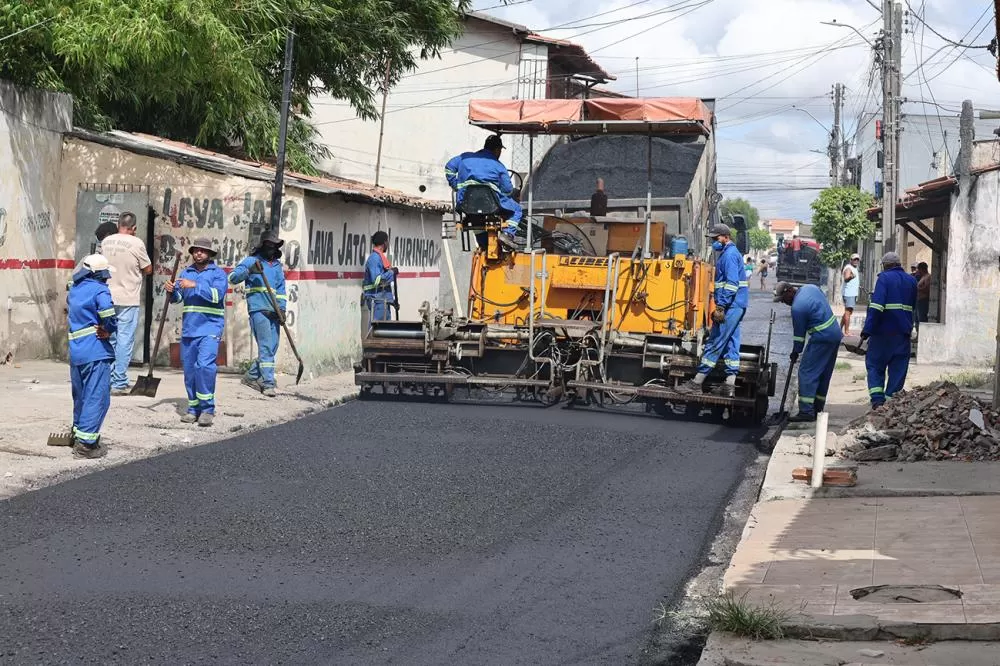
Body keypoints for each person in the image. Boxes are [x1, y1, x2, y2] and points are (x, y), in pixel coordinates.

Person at [675, 223, 748, 397]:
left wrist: (721, 306)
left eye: (716, 238)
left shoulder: (729, 255)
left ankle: (697, 382)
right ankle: (729, 384)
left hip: (731, 305)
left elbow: (731, 284)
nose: (714, 241)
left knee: (715, 340)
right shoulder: (728, 254)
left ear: (726, 237)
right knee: (731, 342)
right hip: (737, 305)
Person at [165, 238, 228, 427]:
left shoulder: (218, 274)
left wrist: (195, 286)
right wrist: (171, 291)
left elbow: (217, 296)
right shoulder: (186, 272)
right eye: (196, 251)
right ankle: (193, 408)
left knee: (205, 366)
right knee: (190, 370)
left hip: (210, 328)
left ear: (209, 254)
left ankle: (207, 408)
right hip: (190, 330)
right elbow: (177, 298)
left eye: (203, 251)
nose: (199, 253)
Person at [66, 254, 118, 458]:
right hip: (95, 350)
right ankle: (86, 445)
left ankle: (78, 433)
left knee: (81, 396)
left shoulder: (74, 290)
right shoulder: (100, 290)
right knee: (97, 396)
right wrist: (109, 328)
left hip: (77, 352)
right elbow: (107, 313)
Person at [100, 212, 153, 395]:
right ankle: (119, 381)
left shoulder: (106, 242)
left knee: (110, 338)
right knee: (124, 339)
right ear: (134, 228)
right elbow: (148, 269)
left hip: (106, 297)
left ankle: (108, 377)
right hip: (128, 298)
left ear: (118, 224)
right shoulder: (136, 243)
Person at [229, 228, 286, 397]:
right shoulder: (251, 261)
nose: (271, 249)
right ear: (262, 246)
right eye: (268, 245)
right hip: (258, 310)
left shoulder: (276, 266)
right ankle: (268, 383)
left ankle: (252, 376)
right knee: (266, 347)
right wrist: (249, 271)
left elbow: (281, 290)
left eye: (273, 246)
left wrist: (282, 309)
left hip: (275, 311)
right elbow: (232, 278)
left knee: (272, 347)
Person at [774, 281, 843, 422]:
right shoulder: (810, 288)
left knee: (806, 372)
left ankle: (806, 411)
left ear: (789, 292)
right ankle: (818, 408)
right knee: (823, 372)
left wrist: (795, 351)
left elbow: (799, 335)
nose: (783, 303)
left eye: (783, 299)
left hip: (821, 338)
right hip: (835, 333)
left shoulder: (797, 308)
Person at [445, 135, 522, 251]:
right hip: (491, 205)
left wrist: (456, 185)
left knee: (475, 219)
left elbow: (448, 168)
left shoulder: (464, 158)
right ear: (497, 150)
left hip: (465, 204)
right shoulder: (499, 166)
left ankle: (483, 246)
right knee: (516, 209)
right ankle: (507, 235)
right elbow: (507, 190)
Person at [861, 251, 918, 409]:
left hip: (883, 333)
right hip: (903, 334)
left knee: (874, 365)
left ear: (885, 266)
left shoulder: (884, 278)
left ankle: (878, 401)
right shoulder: (911, 281)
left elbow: (877, 306)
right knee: (898, 368)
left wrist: (867, 329)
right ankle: (891, 402)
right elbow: (913, 307)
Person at [362, 230, 397, 323]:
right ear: (384, 242)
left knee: (386, 328)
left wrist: (393, 300)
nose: (388, 244)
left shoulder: (379, 258)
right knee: (377, 329)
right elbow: (377, 280)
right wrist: (391, 273)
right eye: (387, 242)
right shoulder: (374, 258)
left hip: (383, 298)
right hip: (377, 299)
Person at [841, 253, 861, 336]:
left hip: (852, 293)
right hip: (849, 293)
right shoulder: (849, 268)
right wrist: (851, 277)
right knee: (848, 312)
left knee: (848, 312)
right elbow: (846, 278)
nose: (856, 261)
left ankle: (839, 329)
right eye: (854, 259)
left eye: (857, 259)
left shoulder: (854, 268)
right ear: (851, 260)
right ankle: (847, 331)